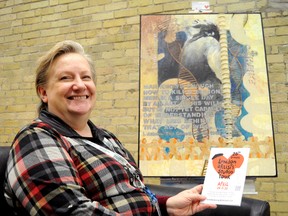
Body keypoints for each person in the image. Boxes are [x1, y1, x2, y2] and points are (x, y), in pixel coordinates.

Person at [4, 40, 217, 216]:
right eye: (65, 78)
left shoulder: (107, 139)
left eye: (86, 77)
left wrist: (166, 205)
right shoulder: (35, 138)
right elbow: (73, 212)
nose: (79, 85)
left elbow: (127, 193)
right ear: (43, 93)